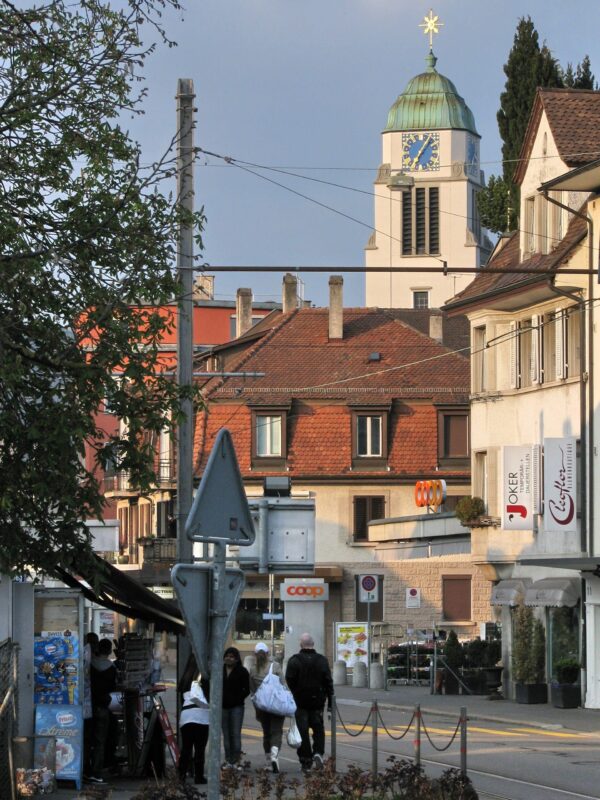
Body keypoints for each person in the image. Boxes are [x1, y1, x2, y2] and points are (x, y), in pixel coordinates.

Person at [285, 633, 333, 773]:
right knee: (318, 729)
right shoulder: (322, 660)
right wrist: (330, 702)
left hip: (300, 702)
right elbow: (328, 682)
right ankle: (318, 752)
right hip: (317, 702)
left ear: (301, 644)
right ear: (313, 644)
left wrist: (296, 691)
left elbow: (289, 679)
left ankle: (306, 760)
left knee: (302, 731)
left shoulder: (294, 660)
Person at [248, 642, 285, 773]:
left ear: (255, 654)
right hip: (277, 705)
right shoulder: (276, 666)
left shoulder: (253, 670)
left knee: (266, 732)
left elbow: (252, 690)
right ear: (268, 654)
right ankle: (275, 753)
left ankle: (269, 761)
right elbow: (283, 684)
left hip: (263, 707)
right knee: (277, 731)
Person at [89, 638, 117, 784]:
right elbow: (113, 687)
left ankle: (84, 770)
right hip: (102, 707)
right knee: (100, 742)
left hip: (87, 706)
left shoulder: (89, 664)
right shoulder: (111, 669)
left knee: (86, 739)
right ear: (110, 651)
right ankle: (96, 772)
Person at [222, 646, 250, 769]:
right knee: (226, 734)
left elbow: (246, 689)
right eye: (227, 656)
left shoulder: (242, 671)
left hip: (237, 707)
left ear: (237, 659)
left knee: (235, 734)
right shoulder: (220, 670)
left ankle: (236, 760)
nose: (229, 658)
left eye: (232, 657)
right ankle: (228, 760)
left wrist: (238, 699)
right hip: (223, 707)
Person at [178, 675, 210, 784]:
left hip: (186, 716)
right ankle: (199, 776)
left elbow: (182, 699)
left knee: (186, 748)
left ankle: (181, 775)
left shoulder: (185, 680)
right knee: (199, 749)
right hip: (201, 717)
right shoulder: (206, 679)